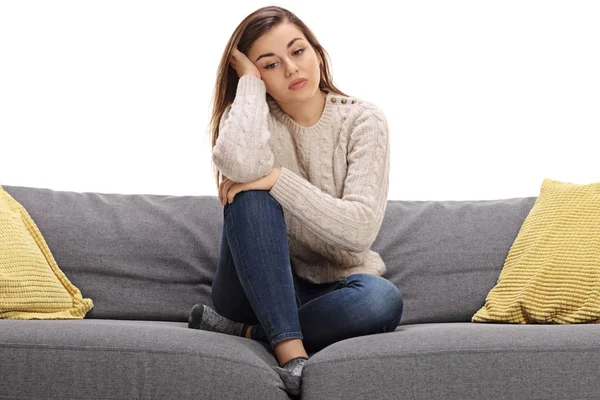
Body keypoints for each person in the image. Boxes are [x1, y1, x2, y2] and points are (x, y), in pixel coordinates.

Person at [188, 5, 403, 396]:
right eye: (269, 65)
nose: (290, 69)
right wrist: (249, 86)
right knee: (251, 200)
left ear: (317, 52)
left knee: (381, 301)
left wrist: (275, 179)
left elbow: (358, 232)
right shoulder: (251, 118)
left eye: (298, 51)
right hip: (253, 286)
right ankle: (291, 354)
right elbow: (236, 163)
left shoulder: (363, 120)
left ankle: (252, 333)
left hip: (334, 289)